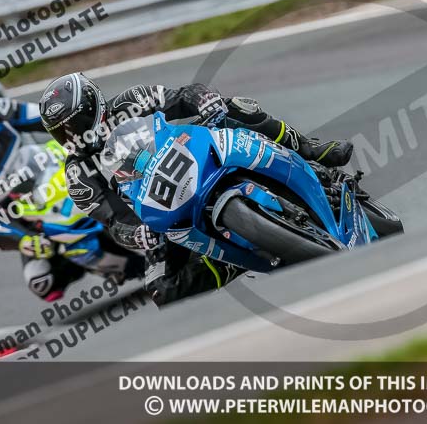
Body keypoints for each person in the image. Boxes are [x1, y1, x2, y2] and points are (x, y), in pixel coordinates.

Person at [38, 73, 353, 306]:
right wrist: (136, 234)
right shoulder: (78, 174)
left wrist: (204, 99)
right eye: (61, 131)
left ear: (92, 104)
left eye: (75, 123)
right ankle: (235, 259)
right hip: (160, 212)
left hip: (189, 151)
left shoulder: (132, 100)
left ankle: (311, 149)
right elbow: (112, 220)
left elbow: (182, 95)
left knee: (236, 108)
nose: (71, 134)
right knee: (161, 289)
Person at [0, 99, 98, 301]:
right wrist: (25, 239)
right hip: (37, 224)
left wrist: (85, 135)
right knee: (41, 282)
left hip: (60, 172)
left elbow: (49, 118)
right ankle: (81, 260)